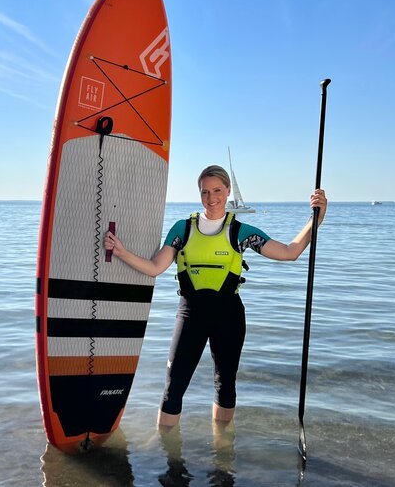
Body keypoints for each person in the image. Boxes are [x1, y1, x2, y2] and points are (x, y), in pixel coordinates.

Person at [104, 165, 327, 427]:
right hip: (190, 315)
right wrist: (121, 252)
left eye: (217, 190)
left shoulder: (240, 232)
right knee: (173, 387)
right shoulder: (183, 229)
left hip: (229, 317)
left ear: (228, 191)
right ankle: (169, 459)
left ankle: (222, 456)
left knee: (225, 384)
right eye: (205, 192)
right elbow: (155, 267)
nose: (211, 198)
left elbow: (290, 252)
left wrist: (316, 219)